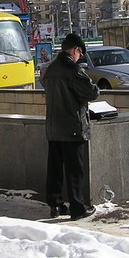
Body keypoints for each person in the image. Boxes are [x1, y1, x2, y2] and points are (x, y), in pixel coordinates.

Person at [40, 33, 100, 220]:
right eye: (79, 53)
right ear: (75, 50)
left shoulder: (50, 69)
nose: (79, 57)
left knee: (55, 169)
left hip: (53, 127)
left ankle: (56, 205)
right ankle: (77, 208)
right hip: (72, 126)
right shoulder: (73, 69)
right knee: (75, 170)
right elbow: (92, 92)